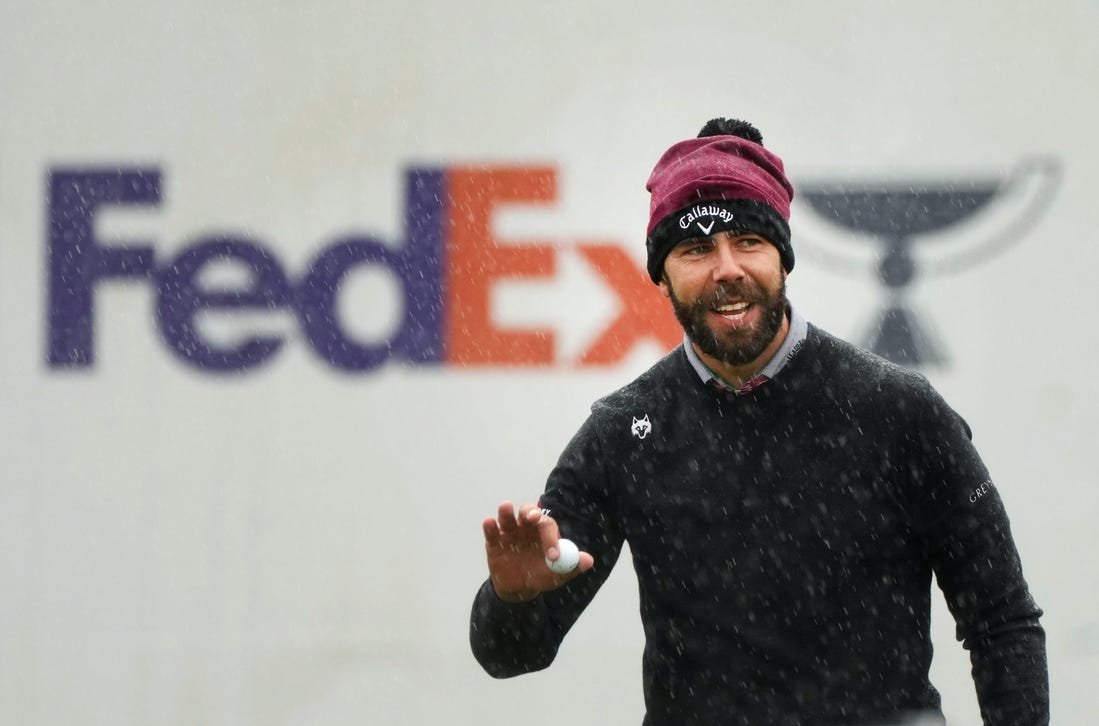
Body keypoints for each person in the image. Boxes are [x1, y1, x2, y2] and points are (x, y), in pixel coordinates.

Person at [469, 118, 1048, 726]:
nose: (727, 269)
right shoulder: (624, 432)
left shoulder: (900, 410)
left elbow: (1003, 621)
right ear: (661, 276)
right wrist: (513, 599)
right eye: (696, 249)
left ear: (782, 258)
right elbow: (511, 655)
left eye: (748, 241)